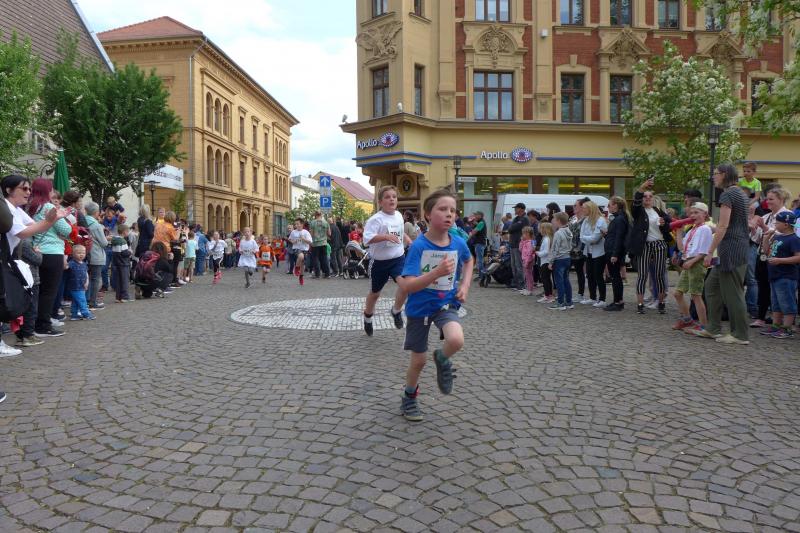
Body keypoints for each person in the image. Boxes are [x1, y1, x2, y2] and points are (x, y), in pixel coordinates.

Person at [396, 188, 473, 422]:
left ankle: (441, 357)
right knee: (418, 361)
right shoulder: (419, 246)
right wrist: (436, 273)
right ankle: (409, 396)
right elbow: (409, 285)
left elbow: (469, 260)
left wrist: (464, 285)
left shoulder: (458, 242)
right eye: (443, 209)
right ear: (428, 214)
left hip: (445, 304)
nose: (449, 214)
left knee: (456, 340)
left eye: (453, 210)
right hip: (420, 309)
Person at [1, 175, 69, 356]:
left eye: (30, 188)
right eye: (24, 188)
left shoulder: (16, 209)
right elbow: (23, 233)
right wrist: (49, 221)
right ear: (8, 190)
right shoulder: (6, 208)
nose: (28, 192)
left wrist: (52, 219)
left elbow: (33, 225)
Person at [696, 164, 751, 345]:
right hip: (735, 246)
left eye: (716, 174)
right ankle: (713, 328)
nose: (713, 177)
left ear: (725, 175)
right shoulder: (740, 193)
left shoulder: (728, 194)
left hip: (731, 249)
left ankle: (740, 335)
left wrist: (709, 252)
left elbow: (724, 225)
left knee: (733, 293)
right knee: (712, 287)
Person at [362, 186, 411, 336]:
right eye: (388, 197)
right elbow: (366, 240)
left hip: (398, 259)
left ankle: (396, 311)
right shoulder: (376, 219)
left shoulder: (399, 215)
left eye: (394, 197)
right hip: (379, 262)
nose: (392, 199)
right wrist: (385, 236)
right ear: (380, 201)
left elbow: (400, 233)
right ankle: (367, 317)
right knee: (375, 294)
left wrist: (408, 240)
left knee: (405, 286)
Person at [27, 178, 72, 337]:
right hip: (53, 252)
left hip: (36, 251)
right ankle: (43, 325)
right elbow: (66, 230)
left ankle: (32, 324)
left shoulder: (30, 207)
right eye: (51, 189)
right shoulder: (48, 206)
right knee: (49, 291)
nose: (53, 192)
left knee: (38, 291)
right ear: (47, 190)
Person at [750, 187, 792, 328]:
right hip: (763, 255)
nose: (767, 202)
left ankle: (784, 322)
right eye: (767, 199)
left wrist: (764, 228)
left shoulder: (789, 215)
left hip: (780, 257)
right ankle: (762, 317)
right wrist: (753, 229)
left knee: (780, 289)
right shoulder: (766, 216)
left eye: (771, 199)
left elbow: (787, 236)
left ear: (781, 199)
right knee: (763, 287)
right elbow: (756, 239)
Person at [628, 178, 671, 315]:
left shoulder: (658, 211)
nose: (647, 198)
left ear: (653, 199)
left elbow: (668, 225)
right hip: (645, 245)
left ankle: (661, 303)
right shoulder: (638, 211)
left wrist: (664, 224)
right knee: (642, 275)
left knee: (659, 274)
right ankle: (640, 304)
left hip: (659, 244)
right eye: (645, 196)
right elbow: (636, 200)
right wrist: (643, 187)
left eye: (650, 196)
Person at [672, 203, 712, 333]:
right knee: (678, 293)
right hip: (688, 262)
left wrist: (692, 261)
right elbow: (681, 248)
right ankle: (687, 319)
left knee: (696, 295)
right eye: (691, 213)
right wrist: (679, 232)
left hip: (696, 263)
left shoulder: (705, 229)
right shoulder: (692, 230)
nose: (693, 215)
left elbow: (704, 251)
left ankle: (703, 325)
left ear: (705, 214)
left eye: (696, 213)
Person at [761, 211, 800, 338]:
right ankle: (776, 325)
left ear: (786, 225)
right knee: (776, 303)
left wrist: (780, 260)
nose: (775, 225)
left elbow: (798, 257)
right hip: (774, 275)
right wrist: (766, 238)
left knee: (787, 302)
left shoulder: (794, 239)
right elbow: (767, 251)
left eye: (777, 223)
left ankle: (787, 328)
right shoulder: (777, 237)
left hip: (786, 276)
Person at [15, 238, 45, 347]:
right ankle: (28, 336)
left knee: (22, 310)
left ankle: (20, 336)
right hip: (30, 279)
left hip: (19, 279)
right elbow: (38, 260)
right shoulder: (25, 243)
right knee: (31, 309)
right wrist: (38, 252)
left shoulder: (14, 241)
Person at [603, 196, 631, 312]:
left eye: (609, 205)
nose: (608, 207)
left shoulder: (619, 219)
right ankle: (617, 300)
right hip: (613, 250)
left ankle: (618, 301)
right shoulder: (619, 218)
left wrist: (615, 254)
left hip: (614, 252)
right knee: (615, 277)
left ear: (615, 205)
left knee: (615, 278)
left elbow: (619, 237)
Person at [579, 201, 608, 307]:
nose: (582, 210)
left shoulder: (600, 220)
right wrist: (589, 239)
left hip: (599, 252)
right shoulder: (586, 220)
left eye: (584, 208)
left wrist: (588, 238)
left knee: (598, 275)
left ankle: (602, 299)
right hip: (589, 252)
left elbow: (595, 238)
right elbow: (581, 237)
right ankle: (592, 297)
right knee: (590, 275)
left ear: (590, 209)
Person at [84, 203, 108, 310]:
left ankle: (86, 300)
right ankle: (92, 302)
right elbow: (104, 243)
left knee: (87, 279)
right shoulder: (96, 225)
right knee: (95, 280)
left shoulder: (83, 221)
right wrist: (108, 238)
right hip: (96, 254)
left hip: (85, 253)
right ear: (96, 212)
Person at [549, 212, 574, 311]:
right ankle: (569, 302)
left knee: (559, 282)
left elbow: (555, 248)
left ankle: (560, 303)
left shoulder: (558, 233)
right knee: (566, 280)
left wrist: (551, 262)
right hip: (567, 258)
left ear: (558, 221)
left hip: (559, 259)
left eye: (554, 220)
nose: (553, 222)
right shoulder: (569, 231)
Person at [67, 245, 95, 320]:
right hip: (75, 286)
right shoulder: (71, 263)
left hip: (82, 286)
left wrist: (87, 282)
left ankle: (74, 314)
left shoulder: (84, 263)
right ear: (73, 254)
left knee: (76, 301)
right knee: (82, 301)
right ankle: (86, 314)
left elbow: (86, 273)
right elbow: (65, 267)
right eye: (79, 253)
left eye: (83, 253)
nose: (81, 254)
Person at [568, 199, 589, 302]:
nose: (573, 207)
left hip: (580, 249)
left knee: (579, 272)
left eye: (575, 205)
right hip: (570, 249)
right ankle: (566, 292)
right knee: (565, 271)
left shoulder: (586, 220)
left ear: (581, 207)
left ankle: (580, 294)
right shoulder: (572, 218)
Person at [507, 202, 529, 292]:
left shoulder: (524, 219)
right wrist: (511, 227)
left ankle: (521, 284)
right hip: (512, 244)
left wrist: (512, 227)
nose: (515, 210)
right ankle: (516, 283)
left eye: (516, 208)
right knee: (513, 265)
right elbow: (510, 229)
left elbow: (511, 228)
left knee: (519, 265)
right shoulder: (516, 218)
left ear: (521, 209)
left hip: (518, 245)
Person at [111, 224, 132, 303]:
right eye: (128, 231)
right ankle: (124, 297)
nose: (128, 233)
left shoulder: (114, 240)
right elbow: (124, 253)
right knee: (125, 280)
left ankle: (118, 297)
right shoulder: (123, 241)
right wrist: (130, 252)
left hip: (116, 263)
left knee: (118, 281)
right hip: (124, 263)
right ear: (124, 232)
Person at [289, 218, 312, 286]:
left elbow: (310, 242)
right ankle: (296, 268)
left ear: (302, 224)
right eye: (295, 224)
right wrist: (293, 241)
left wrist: (303, 239)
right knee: (301, 256)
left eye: (297, 224)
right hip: (297, 248)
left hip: (305, 249)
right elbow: (290, 239)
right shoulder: (293, 232)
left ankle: (301, 277)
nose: (296, 225)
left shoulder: (306, 232)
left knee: (302, 265)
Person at [536, 222, 555, 303]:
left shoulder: (546, 239)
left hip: (545, 262)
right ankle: (549, 295)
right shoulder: (547, 238)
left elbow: (546, 251)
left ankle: (548, 295)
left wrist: (538, 253)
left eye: (541, 228)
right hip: (546, 261)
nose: (540, 230)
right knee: (547, 279)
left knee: (545, 279)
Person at [309, 211, 331, 279]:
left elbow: (311, 234)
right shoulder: (326, 222)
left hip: (315, 243)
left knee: (315, 258)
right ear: (321, 215)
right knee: (324, 258)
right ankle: (327, 274)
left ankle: (317, 274)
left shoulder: (312, 222)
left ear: (315, 215)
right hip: (324, 243)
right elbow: (329, 234)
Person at [468, 211, 488, 285]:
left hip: (480, 243)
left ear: (480, 215)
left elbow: (474, 232)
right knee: (479, 260)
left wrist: (467, 238)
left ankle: (481, 276)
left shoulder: (481, 223)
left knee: (479, 260)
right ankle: (481, 275)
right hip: (480, 243)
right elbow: (476, 226)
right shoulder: (480, 222)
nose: (475, 216)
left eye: (476, 215)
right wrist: (473, 223)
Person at [519, 226, 536, 296]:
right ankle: (527, 288)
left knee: (529, 275)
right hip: (525, 260)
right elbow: (520, 249)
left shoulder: (531, 242)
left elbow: (530, 253)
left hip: (528, 260)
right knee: (526, 275)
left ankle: (530, 289)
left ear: (527, 234)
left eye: (523, 233)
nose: (522, 235)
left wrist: (527, 262)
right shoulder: (525, 242)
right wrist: (522, 241)